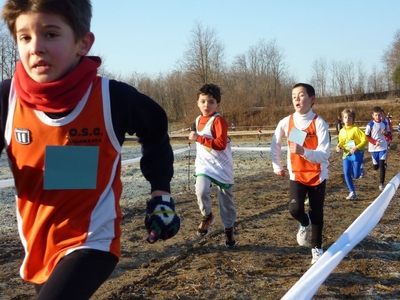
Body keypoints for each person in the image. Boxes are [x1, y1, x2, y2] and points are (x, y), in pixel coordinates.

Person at [0, 1, 180, 299]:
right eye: (25, 37)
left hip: (93, 242)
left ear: (83, 42)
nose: (36, 47)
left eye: (51, 34)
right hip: (38, 245)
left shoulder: (114, 98)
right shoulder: (6, 100)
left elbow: (156, 130)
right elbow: (62, 171)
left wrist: (161, 193)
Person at [271, 83, 330, 265]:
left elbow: (324, 154)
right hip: (297, 174)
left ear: (312, 100)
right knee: (295, 210)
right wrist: (277, 165)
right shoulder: (287, 122)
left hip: (317, 175)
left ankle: (317, 248)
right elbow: (276, 143)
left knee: (317, 212)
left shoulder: (319, 123)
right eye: (294, 96)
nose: (297, 99)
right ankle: (304, 223)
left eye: (301, 95)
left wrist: (303, 151)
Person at [188, 83, 237, 248]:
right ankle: (207, 216)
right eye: (203, 101)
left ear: (218, 104)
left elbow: (220, 144)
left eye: (210, 102)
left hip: (222, 166)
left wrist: (199, 138)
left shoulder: (218, 120)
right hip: (204, 166)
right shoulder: (197, 119)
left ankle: (229, 229)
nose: (206, 105)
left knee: (226, 202)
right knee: (201, 190)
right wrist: (194, 138)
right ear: (197, 102)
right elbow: (199, 139)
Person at [336, 109, 368, 200]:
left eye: (349, 118)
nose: (347, 119)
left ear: (353, 119)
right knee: (346, 173)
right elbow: (341, 140)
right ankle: (352, 192)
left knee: (356, 175)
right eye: (345, 117)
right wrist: (338, 146)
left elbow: (365, 140)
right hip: (346, 155)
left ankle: (360, 168)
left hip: (357, 154)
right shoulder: (342, 131)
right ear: (342, 119)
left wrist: (356, 147)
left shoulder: (356, 129)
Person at [365, 106, 390, 191]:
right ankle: (376, 165)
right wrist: (374, 142)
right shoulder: (370, 125)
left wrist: (386, 133)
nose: (378, 117)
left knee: (382, 165)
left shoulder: (385, 123)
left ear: (381, 115)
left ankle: (381, 184)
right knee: (376, 167)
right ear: (373, 115)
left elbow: (389, 134)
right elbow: (367, 136)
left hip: (383, 147)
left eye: (379, 115)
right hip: (373, 148)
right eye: (376, 115)